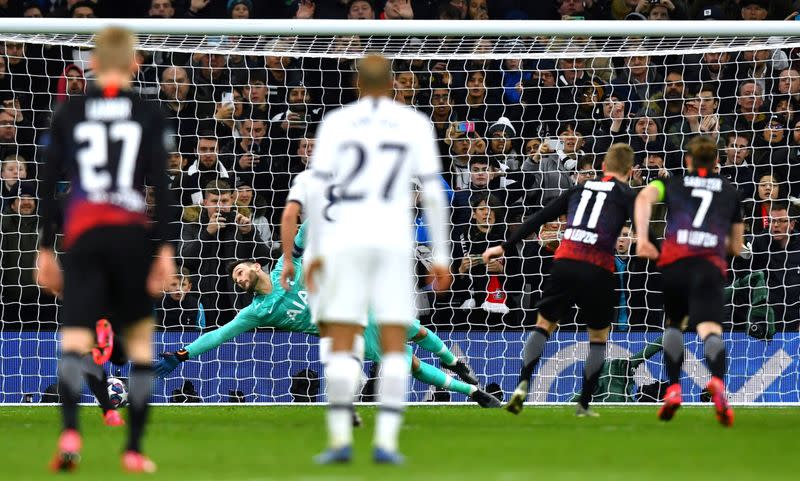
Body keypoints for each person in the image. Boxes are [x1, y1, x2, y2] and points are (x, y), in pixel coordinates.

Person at [154, 227, 498, 410]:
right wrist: (183, 354)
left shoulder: (285, 269)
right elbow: (220, 334)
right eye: (237, 281)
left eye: (241, 272)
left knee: (411, 327)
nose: (241, 280)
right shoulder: (257, 312)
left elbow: (302, 236)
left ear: (255, 266)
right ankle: (472, 391)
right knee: (409, 364)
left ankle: (454, 360)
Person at [36, 27, 176, 473]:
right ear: (136, 63)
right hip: (130, 234)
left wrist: (45, 247)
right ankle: (133, 448)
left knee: (75, 340)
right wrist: (166, 248)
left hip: (84, 235)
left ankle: (70, 432)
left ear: (93, 63)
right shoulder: (149, 111)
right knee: (138, 343)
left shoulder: (70, 110)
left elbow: (47, 182)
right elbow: (161, 184)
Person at [303, 54, 451, 465]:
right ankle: (386, 443)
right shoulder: (414, 124)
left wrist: (315, 252)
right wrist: (441, 254)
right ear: (392, 86)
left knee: (342, 343)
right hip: (392, 241)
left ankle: (339, 442)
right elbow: (434, 192)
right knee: (392, 345)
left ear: (356, 86)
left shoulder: (336, 122)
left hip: (346, 240)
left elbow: (318, 188)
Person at [483, 143, 637, 417]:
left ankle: (521, 386)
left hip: (565, 261)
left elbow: (538, 218)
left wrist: (504, 247)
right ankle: (584, 404)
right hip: (598, 267)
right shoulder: (628, 194)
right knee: (599, 337)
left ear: (602, 167)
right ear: (630, 170)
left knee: (543, 326)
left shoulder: (578, 189)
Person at [634, 135, 743, 426]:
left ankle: (672, 388)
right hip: (708, 265)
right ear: (717, 162)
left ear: (687, 161)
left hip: (676, 264)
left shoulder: (673, 184)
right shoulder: (730, 191)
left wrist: (643, 238)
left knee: (674, 324)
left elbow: (643, 197)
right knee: (709, 330)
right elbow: (736, 246)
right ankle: (718, 382)